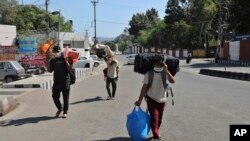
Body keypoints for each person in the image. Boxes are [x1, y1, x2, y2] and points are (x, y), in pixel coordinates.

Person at [134, 59, 175, 141]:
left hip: (162, 100)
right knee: (155, 117)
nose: (159, 63)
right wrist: (139, 100)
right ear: (154, 63)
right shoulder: (149, 73)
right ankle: (156, 135)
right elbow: (144, 88)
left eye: (161, 62)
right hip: (151, 99)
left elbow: (173, 81)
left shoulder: (164, 72)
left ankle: (155, 130)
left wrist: (166, 70)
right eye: (157, 62)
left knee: (159, 119)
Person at [46, 45, 73, 118]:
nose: (57, 53)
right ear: (54, 52)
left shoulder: (66, 57)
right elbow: (50, 70)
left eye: (58, 51)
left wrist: (66, 60)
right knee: (54, 96)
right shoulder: (53, 59)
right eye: (56, 52)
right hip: (57, 81)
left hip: (65, 80)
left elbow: (70, 69)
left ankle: (65, 112)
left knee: (65, 97)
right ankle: (60, 108)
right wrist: (48, 61)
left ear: (61, 51)